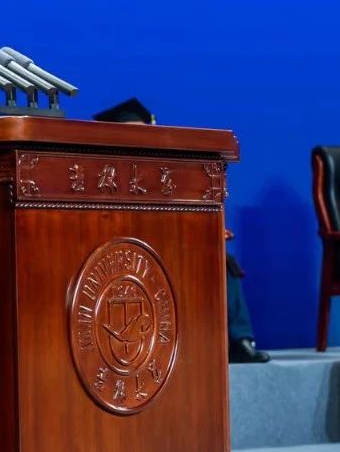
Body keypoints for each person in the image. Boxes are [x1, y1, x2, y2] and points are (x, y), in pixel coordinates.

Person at [92, 97, 269, 363]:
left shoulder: (164, 171)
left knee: (223, 261)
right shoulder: (103, 173)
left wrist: (209, 231)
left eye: (144, 133)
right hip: (125, 251)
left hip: (168, 245)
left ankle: (239, 341)